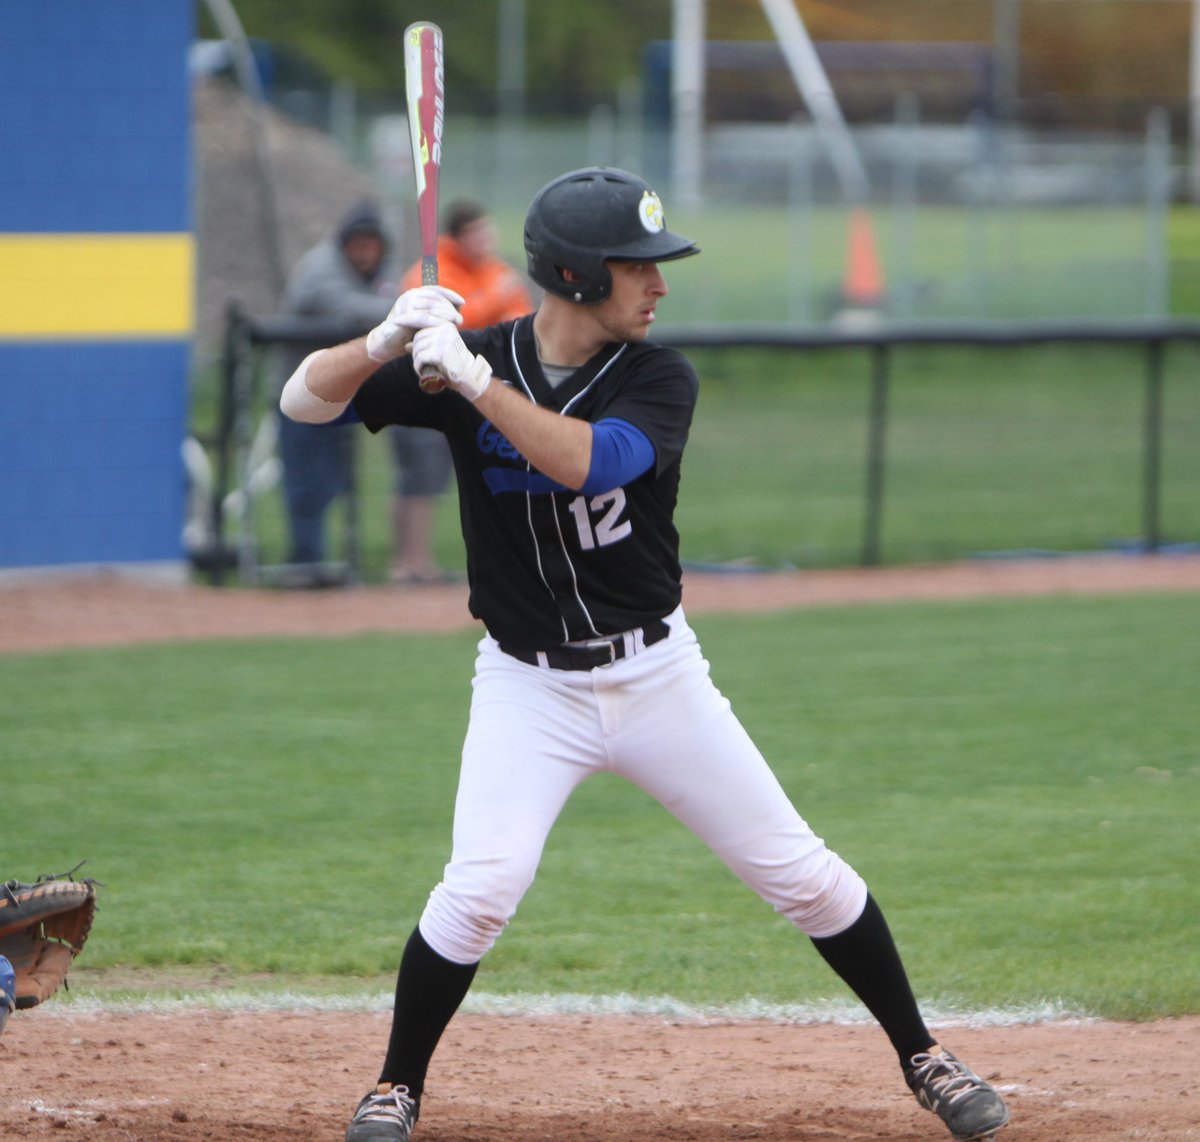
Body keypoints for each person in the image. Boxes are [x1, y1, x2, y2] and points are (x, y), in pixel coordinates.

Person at [279, 167, 1011, 1142]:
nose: (660, 286)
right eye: (639, 269)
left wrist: (471, 382)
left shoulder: (656, 375)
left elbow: (593, 461)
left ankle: (924, 1051)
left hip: (658, 676)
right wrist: (385, 337)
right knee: (483, 881)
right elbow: (301, 401)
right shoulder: (470, 356)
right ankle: (394, 1083)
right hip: (527, 684)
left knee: (802, 872)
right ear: (578, 275)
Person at [388, 200, 532, 583]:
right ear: (459, 236)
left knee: (477, 474)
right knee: (419, 476)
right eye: (477, 232)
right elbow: (444, 323)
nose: (486, 239)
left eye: (488, 230)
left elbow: (518, 321)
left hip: (475, 391)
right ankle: (408, 563)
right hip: (423, 388)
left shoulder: (495, 271)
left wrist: (497, 313)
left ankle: (448, 563)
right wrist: (494, 304)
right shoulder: (432, 271)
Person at [274, 198, 400, 582]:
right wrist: (402, 309)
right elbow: (351, 307)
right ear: (344, 243)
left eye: (372, 244)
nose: (365, 252)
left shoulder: (378, 273)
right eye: (358, 244)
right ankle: (307, 564)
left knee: (334, 481)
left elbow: (386, 300)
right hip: (296, 396)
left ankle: (334, 565)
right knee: (305, 482)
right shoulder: (321, 266)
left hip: (336, 399)